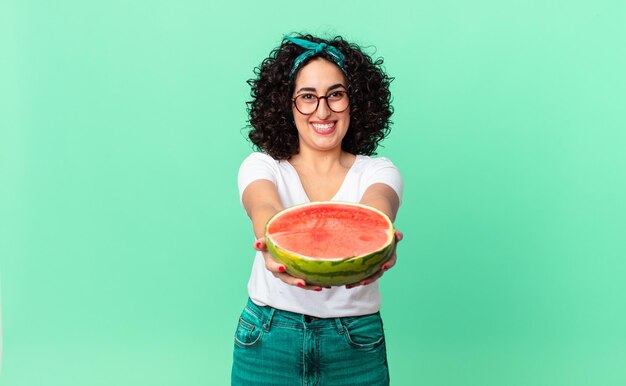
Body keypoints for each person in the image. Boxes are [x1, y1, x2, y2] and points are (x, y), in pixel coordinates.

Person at [232, 34, 403, 386]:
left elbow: (378, 207)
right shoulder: (263, 165)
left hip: (354, 340)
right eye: (307, 97)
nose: (323, 111)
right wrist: (271, 242)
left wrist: (378, 240)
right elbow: (263, 206)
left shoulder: (379, 171)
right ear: (286, 105)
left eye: (336, 95)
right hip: (267, 335)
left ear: (355, 102)